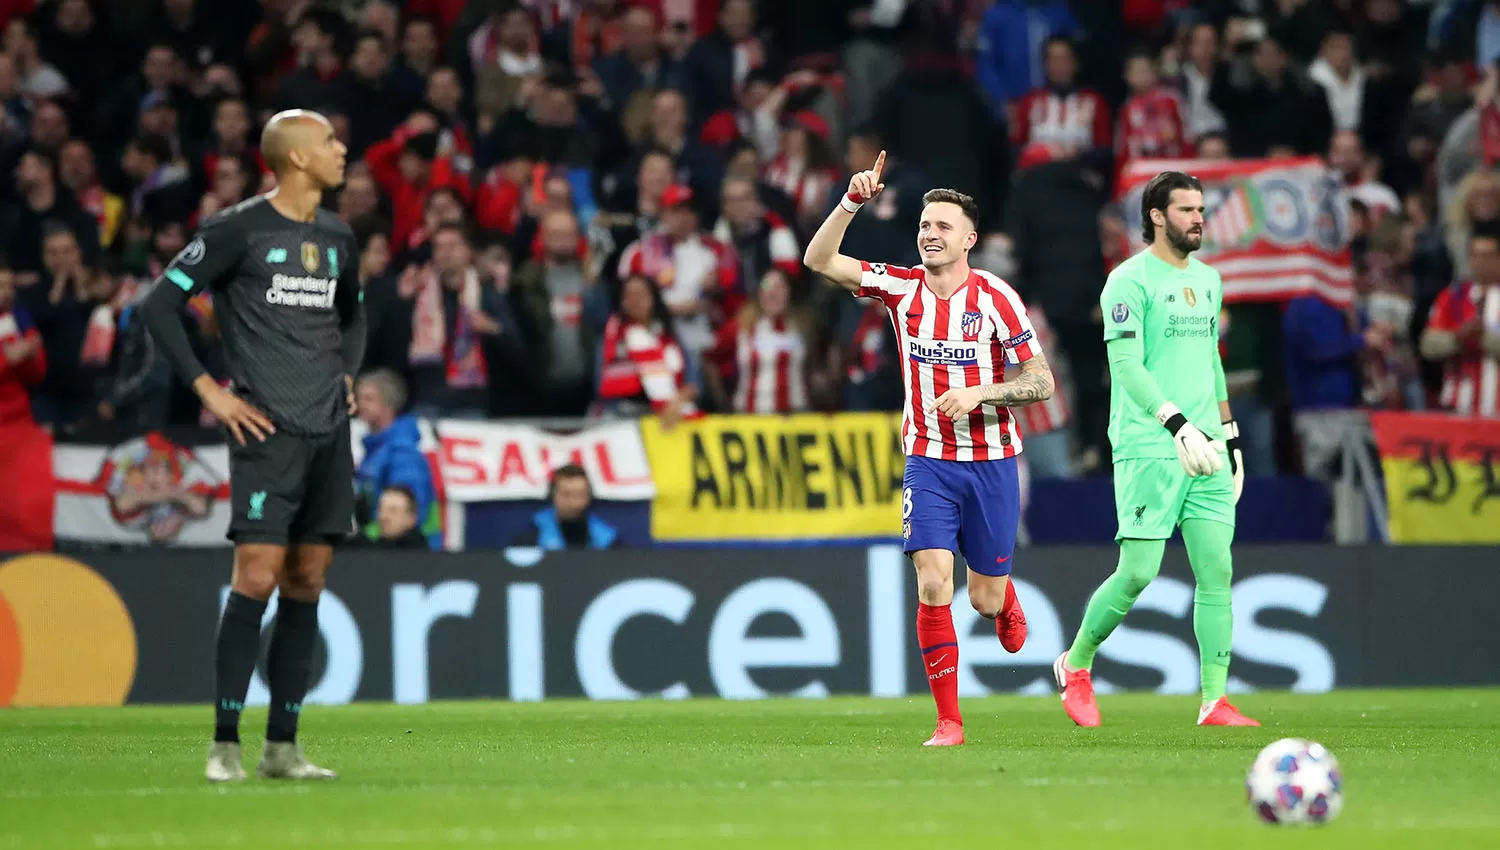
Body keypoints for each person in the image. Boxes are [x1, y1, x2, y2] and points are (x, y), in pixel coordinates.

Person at [139, 109, 364, 782]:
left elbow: (353, 318)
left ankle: (283, 748)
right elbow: (158, 304)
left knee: (308, 581)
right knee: (258, 577)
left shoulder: (338, 235)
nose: (340, 149)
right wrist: (211, 392)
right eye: (328, 140)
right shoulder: (238, 229)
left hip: (329, 429)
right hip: (265, 429)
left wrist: (348, 373)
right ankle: (225, 744)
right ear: (297, 158)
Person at [802, 152, 1053, 748]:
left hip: (992, 463)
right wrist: (850, 203)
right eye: (923, 225)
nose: (929, 234)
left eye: (942, 226)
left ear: (969, 239)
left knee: (983, 598)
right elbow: (817, 260)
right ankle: (949, 720)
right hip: (928, 461)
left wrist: (984, 391)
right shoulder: (900, 287)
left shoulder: (997, 299)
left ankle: (1002, 593)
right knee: (933, 582)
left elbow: (1041, 380)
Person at [1053, 171, 1257, 729]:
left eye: (1201, 209)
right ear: (1158, 216)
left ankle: (1214, 699)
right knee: (1140, 571)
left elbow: (1212, 363)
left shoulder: (1210, 280)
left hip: (1207, 446)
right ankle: (1076, 664)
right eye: (1187, 210)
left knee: (1217, 569)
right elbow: (1125, 365)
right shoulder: (1127, 280)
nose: (1199, 219)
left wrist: (1230, 436)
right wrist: (1176, 424)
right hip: (1151, 442)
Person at [355, 369, 438, 550]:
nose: (360, 404)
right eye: (359, 398)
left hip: (403, 553)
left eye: (369, 399)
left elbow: (407, 513)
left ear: (389, 404)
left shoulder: (402, 452)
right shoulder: (375, 449)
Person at [511, 464, 620, 550]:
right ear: (552, 495)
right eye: (566, 494)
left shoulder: (608, 538)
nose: (573, 502)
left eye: (580, 495)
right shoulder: (531, 535)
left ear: (589, 497)